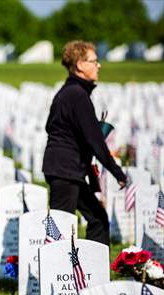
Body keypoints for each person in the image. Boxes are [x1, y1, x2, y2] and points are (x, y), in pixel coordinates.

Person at [42, 40, 126, 245]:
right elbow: (95, 140)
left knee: (98, 218)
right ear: (79, 64)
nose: (99, 65)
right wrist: (117, 172)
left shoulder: (69, 92)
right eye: (94, 61)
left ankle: (92, 271)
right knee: (60, 230)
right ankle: (55, 274)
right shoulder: (77, 95)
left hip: (67, 169)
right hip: (65, 171)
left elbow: (51, 126)